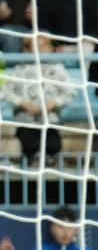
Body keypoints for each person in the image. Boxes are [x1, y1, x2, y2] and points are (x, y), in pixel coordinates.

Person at [1, 33, 72, 164]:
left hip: (49, 118)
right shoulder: (19, 69)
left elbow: (69, 92)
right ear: (26, 49)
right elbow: (5, 91)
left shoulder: (57, 69)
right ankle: (30, 162)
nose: (39, 50)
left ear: (51, 48)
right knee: (30, 143)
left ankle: (50, 161)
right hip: (25, 118)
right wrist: (22, 103)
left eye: (43, 46)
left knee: (53, 145)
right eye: (34, 46)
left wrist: (54, 102)